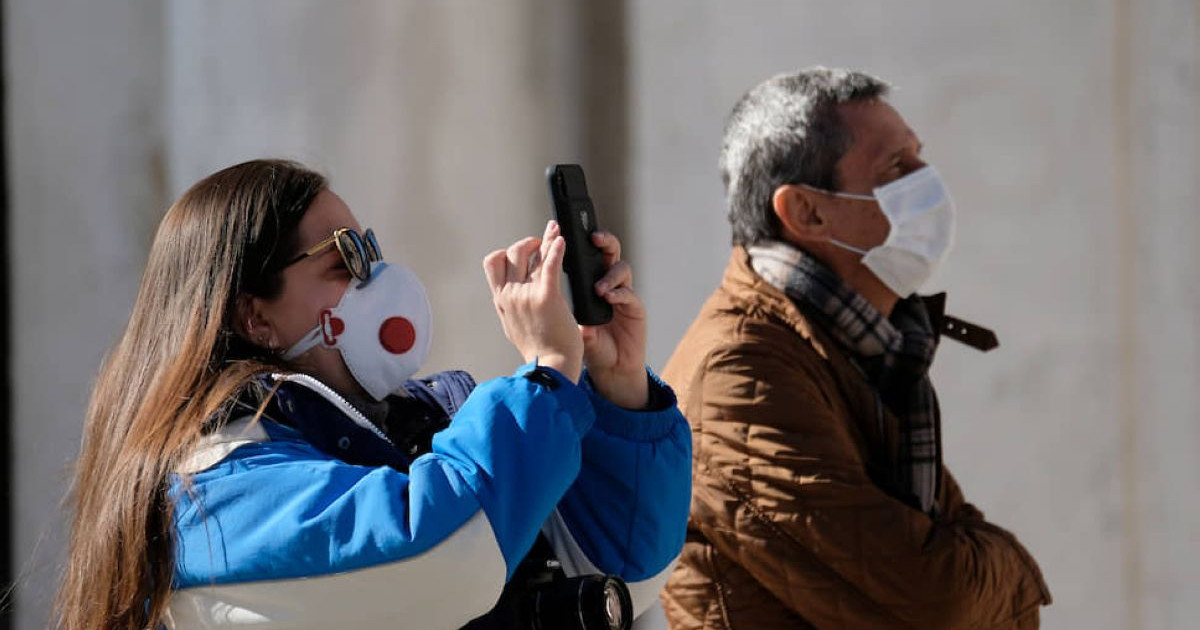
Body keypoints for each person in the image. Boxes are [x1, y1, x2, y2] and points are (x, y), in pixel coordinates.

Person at [55, 159, 691, 630]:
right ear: (256, 317)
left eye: (371, 249)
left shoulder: (431, 427)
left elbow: (623, 566)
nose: (376, 278)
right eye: (344, 259)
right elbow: (437, 552)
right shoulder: (210, 484)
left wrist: (616, 386)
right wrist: (546, 372)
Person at [660, 68, 1052, 629]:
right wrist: (1012, 567)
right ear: (807, 212)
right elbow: (933, 600)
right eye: (895, 168)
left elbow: (943, 563)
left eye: (919, 157)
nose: (929, 181)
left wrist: (974, 562)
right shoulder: (741, 371)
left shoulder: (861, 345)